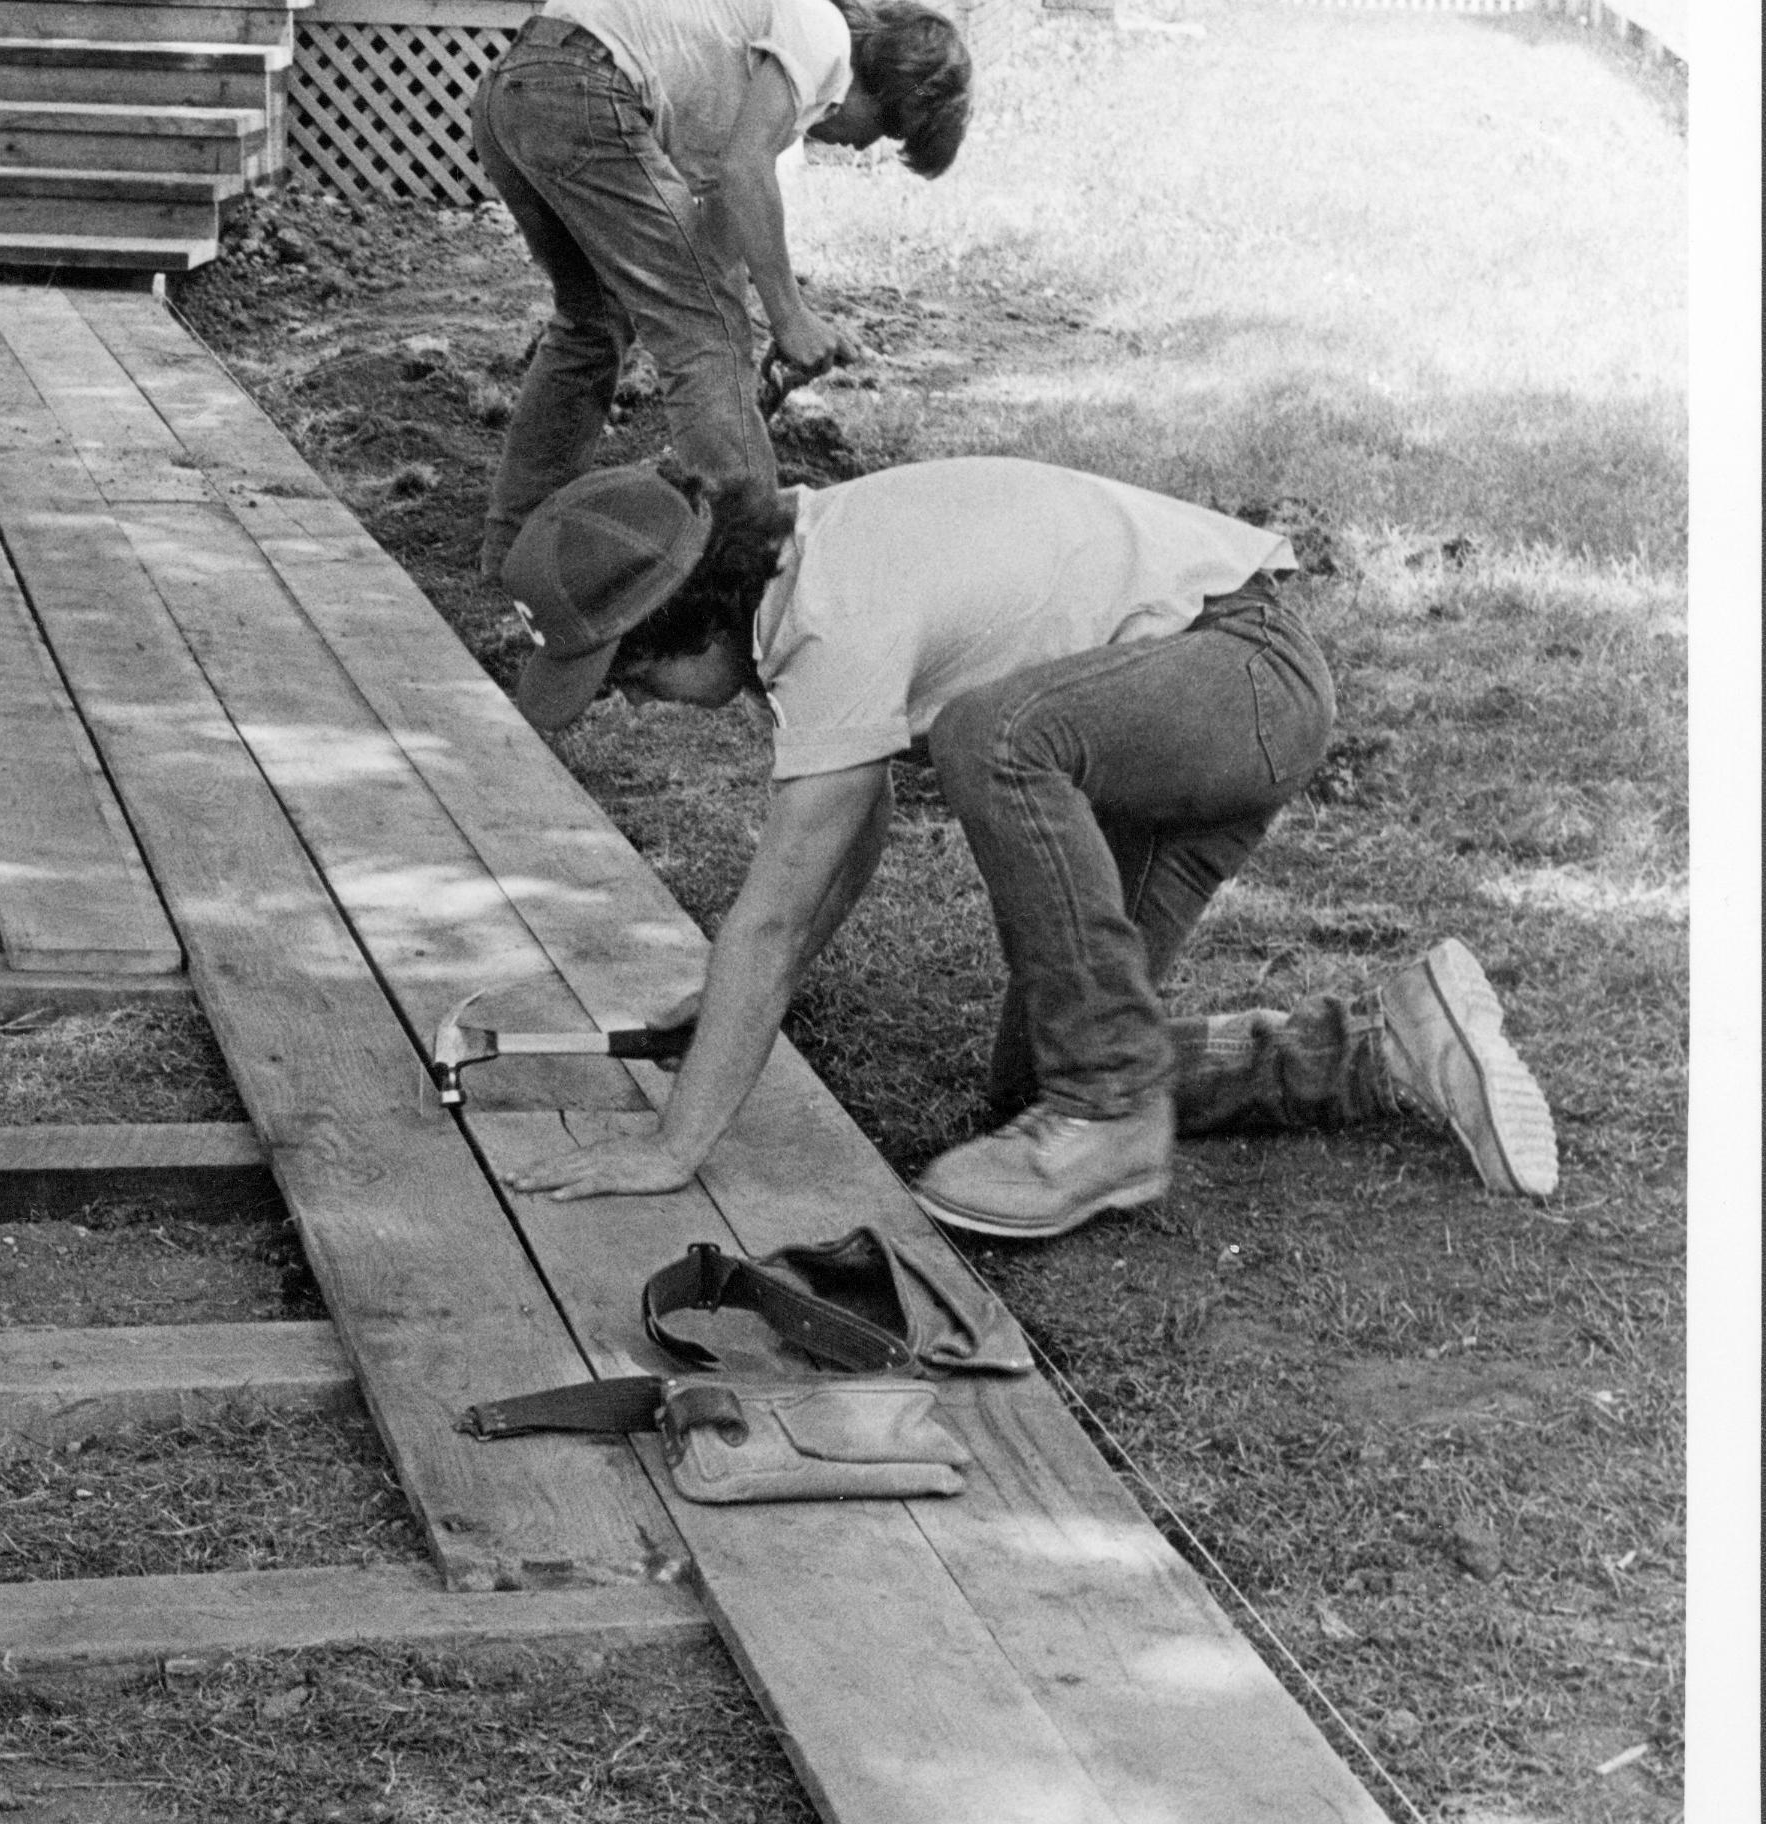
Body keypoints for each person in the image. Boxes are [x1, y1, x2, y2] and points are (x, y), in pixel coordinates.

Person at [496, 456, 1559, 1239]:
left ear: (685, 617)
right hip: (1162, 720)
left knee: (988, 739)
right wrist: (728, 1011)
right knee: (1031, 1088)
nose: (637, 704)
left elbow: (772, 911)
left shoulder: (835, 610)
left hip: (1239, 677)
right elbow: (843, 848)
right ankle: (1378, 1042)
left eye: (630, 676)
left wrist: (674, 1145)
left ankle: (1107, 1111)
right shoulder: (797, 584)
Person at [471, 0, 973, 584]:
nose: (865, 147)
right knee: (707, 328)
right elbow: (742, 179)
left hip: (512, 94)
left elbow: (705, 253)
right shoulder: (822, 37)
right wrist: (785, 319)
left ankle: (513, 558)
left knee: (595, 327)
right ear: (886, 82)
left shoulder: (754, 78)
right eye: (889, 128)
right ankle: (749, 578)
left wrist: (756, 367)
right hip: (582, 89)